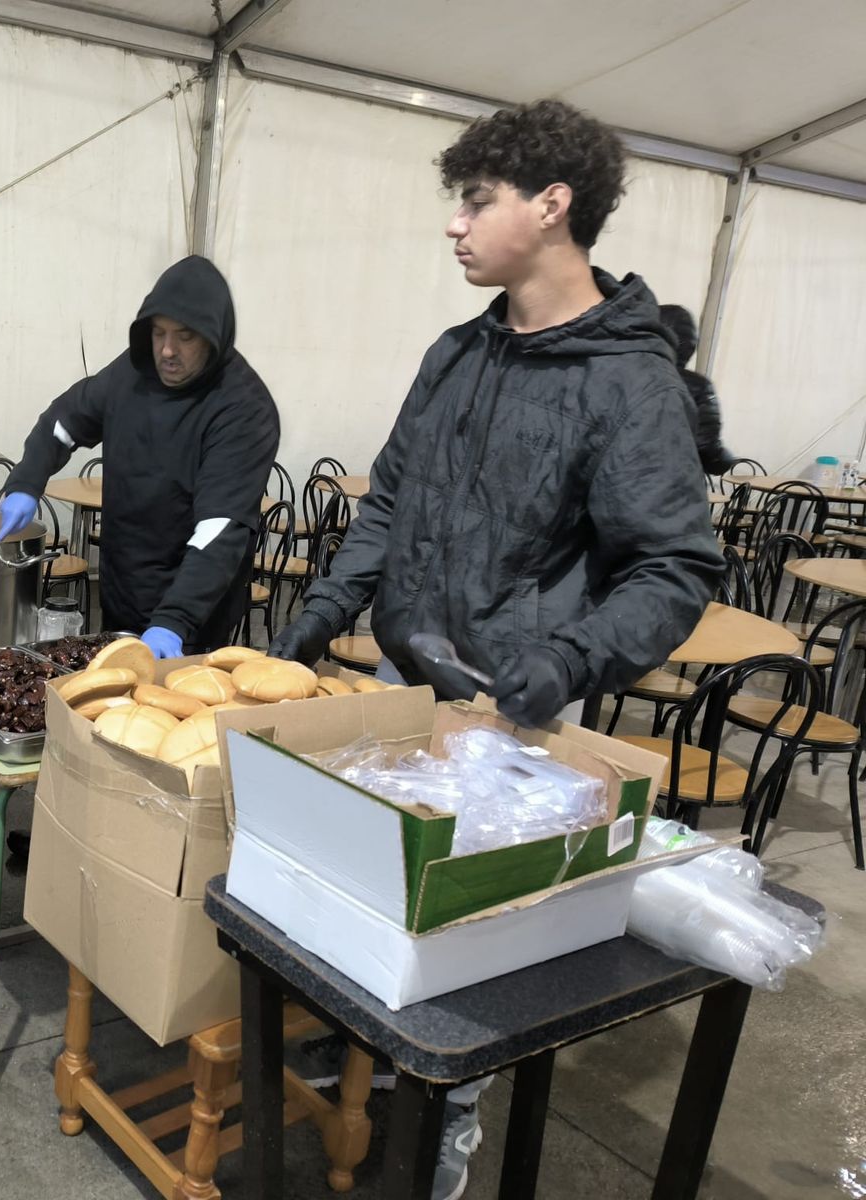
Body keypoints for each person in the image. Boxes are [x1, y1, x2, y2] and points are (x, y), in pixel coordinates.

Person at [269, 100, 721, 1200]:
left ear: (551, 207)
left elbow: (676, 566)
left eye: (476, 201)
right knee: (366, 901)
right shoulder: (457, 351)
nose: (455, 226)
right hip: (399, 682)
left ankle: (441, 1144)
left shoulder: (626, 379)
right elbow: (391, 501)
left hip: (507, 718)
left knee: (465, 953)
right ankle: (356, 1051)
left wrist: (569, 656)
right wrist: (324, 609)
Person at [0, 255, 279, 657]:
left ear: (214, 336)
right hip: (122, 590)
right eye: (158, 333)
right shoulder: (130, 374)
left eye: (185, 336)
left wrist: (174, 621)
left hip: (193, 616)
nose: (167, 350)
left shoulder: (243, 408)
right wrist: (26, 481)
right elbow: (63, 422)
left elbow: (220, 530)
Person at [658, 303, 739, 475]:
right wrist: (727, 459)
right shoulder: (697, 387)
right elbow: (708, 452)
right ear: (688, 343)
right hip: (670, 489)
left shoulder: (618, 376)